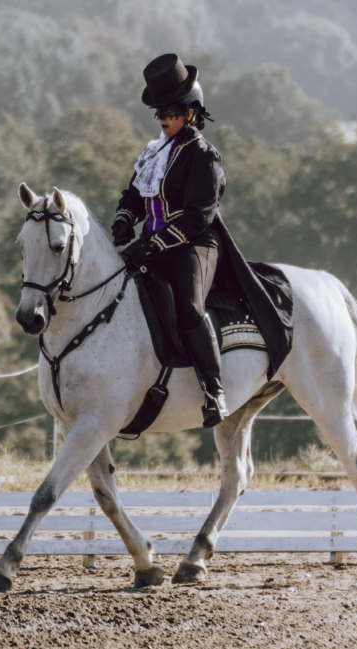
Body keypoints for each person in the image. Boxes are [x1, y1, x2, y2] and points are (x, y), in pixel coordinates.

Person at [111, 53, 230, 428]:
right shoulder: (154, 151)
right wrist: (124, 218)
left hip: (194, 245)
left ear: (192, 113)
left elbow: (199, 215)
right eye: (159, 112)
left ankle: (214, 390)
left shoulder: (204, 157)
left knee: (189, 307)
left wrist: (157, 243)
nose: (163, 118)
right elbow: (134, 193)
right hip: (153, 242)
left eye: (171, 112)